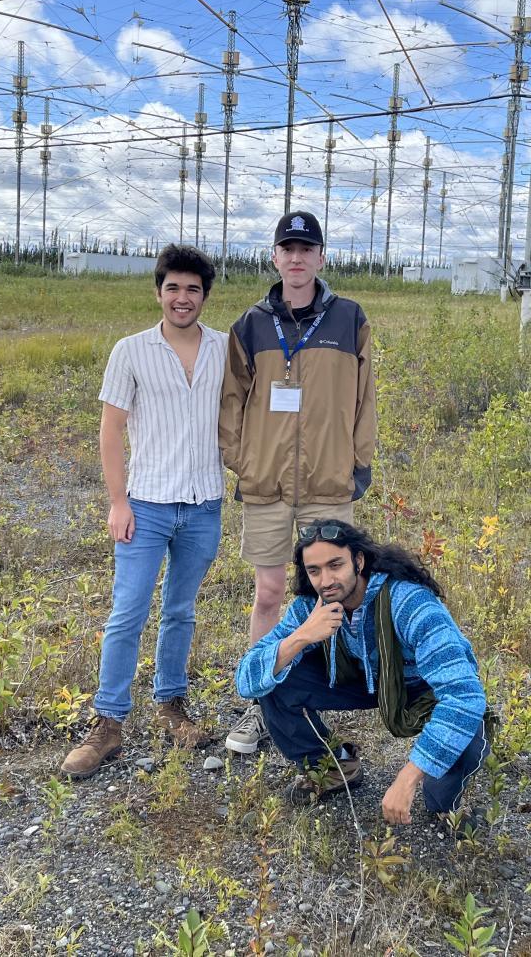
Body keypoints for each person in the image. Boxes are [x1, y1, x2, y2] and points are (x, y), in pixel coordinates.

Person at [61, 244, 226, 779]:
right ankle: (108, 722)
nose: (183, 298)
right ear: (158, 292)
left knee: (181, 610)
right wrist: (117, 501)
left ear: (205, 296)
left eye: (193, 289)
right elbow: (110, 430)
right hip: (147, 505)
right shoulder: (130, 351)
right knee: (128, 612)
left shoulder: (226, 349)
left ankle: (171, 705)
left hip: (203, 505)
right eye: (173, 288)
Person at [219, 210, 376, 755]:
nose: (296, 258)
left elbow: (364, 399)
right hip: (266, 484)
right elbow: (232, 399)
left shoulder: (349, 318)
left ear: (322, 258)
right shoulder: (252, 325)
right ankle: (262, 704)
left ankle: (316, 693)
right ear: (274, 257)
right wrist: (243, 461)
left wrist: (357, 462)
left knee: (329, 593)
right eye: (287, 248)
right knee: (268, 594)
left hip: (327, 484)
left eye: (306, 249)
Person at [234, 521, 489, 826]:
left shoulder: (410, 603)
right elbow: (246, 680)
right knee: (275, 675)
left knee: (444, 785)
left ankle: (448, 803)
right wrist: (300, 637)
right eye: (314, 570)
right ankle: (334, 769)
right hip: (365, 681)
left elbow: (464, 695)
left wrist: (408, 776)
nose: (326, 580)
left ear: (359, 560)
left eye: (335, 565)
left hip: (422, 687)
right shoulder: (310, 607)